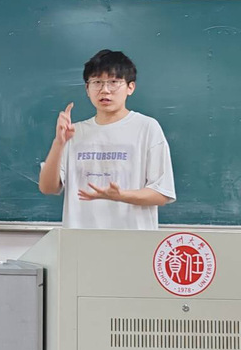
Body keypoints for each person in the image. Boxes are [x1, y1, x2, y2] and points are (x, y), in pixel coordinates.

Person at [38, 49, 175, 229]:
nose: (105, 90)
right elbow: (48, 188)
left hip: (133, 238)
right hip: (80, 240)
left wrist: (121, 196)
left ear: (130, 87)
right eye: (97, 82)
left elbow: (162, 193)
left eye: (114, 82)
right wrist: (58, 143)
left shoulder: (147, 127)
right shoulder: (73, 132)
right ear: (87, 89)